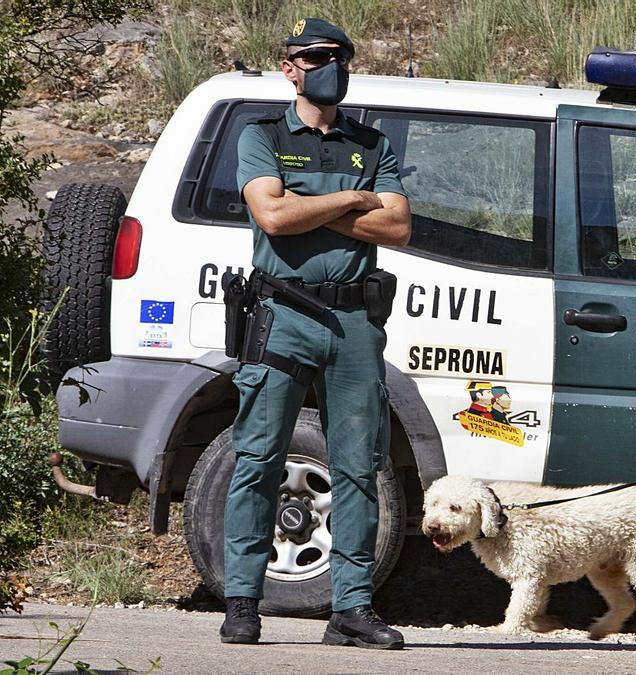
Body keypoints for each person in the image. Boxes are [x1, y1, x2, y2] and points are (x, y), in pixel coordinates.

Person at [220, 17, 412, 648]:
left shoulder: (372, 143)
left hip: (355, 322)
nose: (335, 66)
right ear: (291, 68)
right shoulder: (263, 134)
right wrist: (353, 201)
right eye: (320, 57)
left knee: (360, 466)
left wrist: (310, 206)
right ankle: (243, 601)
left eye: (342, 57)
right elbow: (272, 216)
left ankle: (350, 610)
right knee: (257, 457)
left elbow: (398, 229)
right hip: (283, 315)